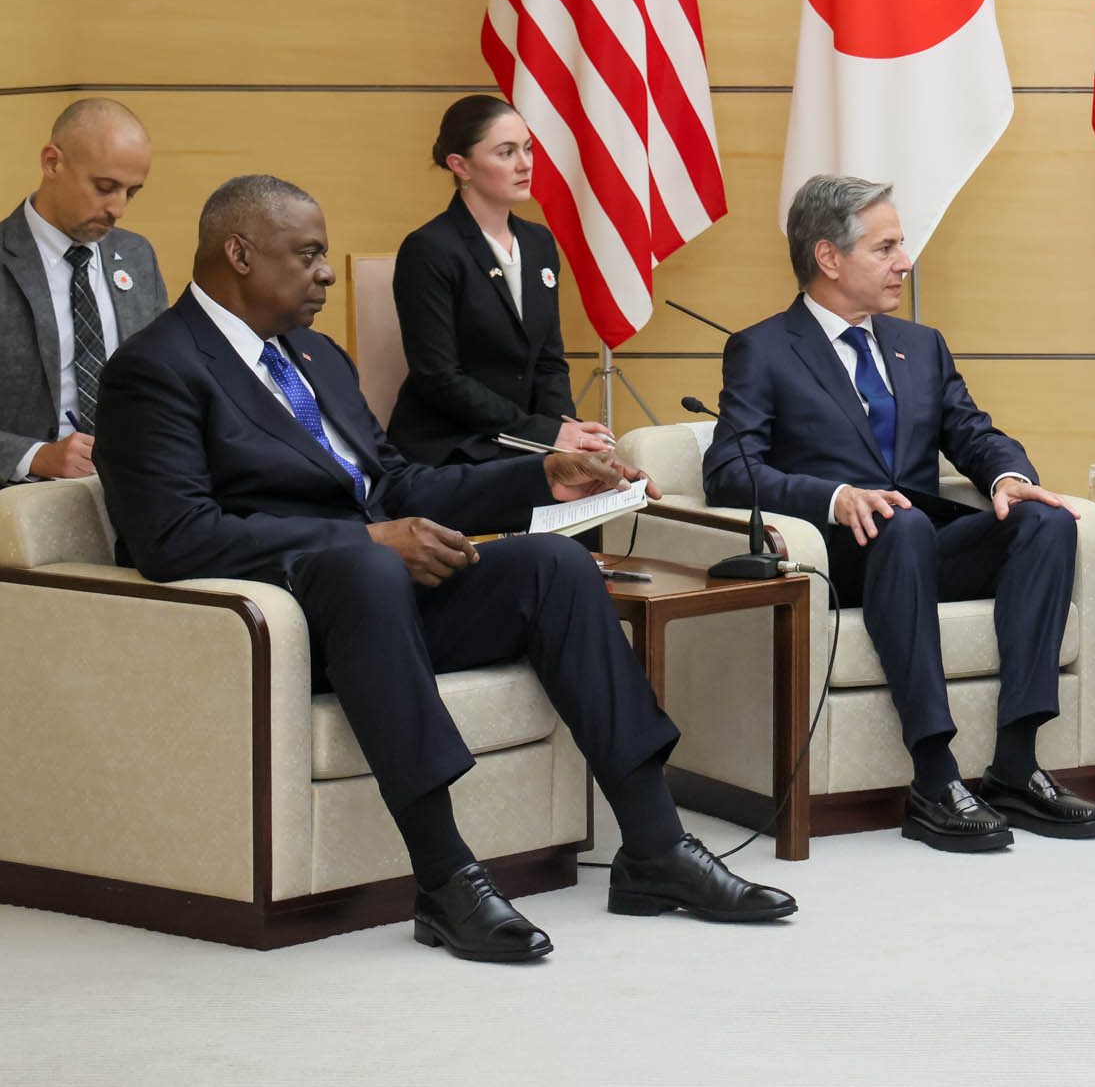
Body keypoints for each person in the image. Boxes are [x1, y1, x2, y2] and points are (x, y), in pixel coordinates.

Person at [92, 174, 793, 962]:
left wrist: (540, 477)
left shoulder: (318, 357)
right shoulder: (153, 368)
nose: (327, 272)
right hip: (289, 622)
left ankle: (656, 849)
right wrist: (365, 544)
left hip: (384, 605)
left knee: (552, 567)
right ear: (239, 253)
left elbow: (395, 485)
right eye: (309, 254)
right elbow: (173, 537)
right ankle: (446, 877)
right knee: (369, 573)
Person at [706, 173, 1095, 852]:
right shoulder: (765, 348)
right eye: (886, 246)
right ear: (829, 257)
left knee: (1046, 519)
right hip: (849, 554)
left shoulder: (919, 345)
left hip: (925, 546)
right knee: (902, 523)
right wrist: (834, 497)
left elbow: (973, 432)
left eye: (902, 244)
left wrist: (1008, 476)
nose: (905, 261)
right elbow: (729, 469)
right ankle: (933, 774)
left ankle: (1014, 763)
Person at [387, 95, 610, 465]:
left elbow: (548, 361)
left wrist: (563, 434)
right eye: (506, 153)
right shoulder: (429, 249)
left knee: (600, 477)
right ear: (461, 166)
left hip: (521, 440)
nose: (525, 164)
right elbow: (439, 378)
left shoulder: (538, 242)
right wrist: (543, 435)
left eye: (527, 149)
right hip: (454, 443)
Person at [0, 99, 165, 483]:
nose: (118, 209)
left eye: (131, 192)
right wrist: (36, 456)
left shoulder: (137, 256)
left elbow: (167, 379)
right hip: (20, 501)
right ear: (52, 163)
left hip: (137, 486)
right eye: (105, 188)